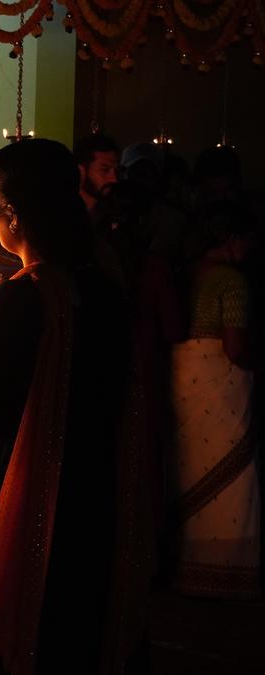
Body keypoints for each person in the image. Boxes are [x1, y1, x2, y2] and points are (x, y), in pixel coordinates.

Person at [0, 139, 146, 675]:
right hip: (97, 484)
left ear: (10, 213)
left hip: (25, 484)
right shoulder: (104, 285)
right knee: (77, 626)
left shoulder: (22, 295)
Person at [169, 200, 259, 599]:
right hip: (217, 378)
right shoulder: (231, 280)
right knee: (234, 476)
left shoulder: (186, 272)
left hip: (183, 375)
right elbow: (236, 348)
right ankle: (225, 577)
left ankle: (187, 568)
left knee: (188, 468)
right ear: (232, 238)